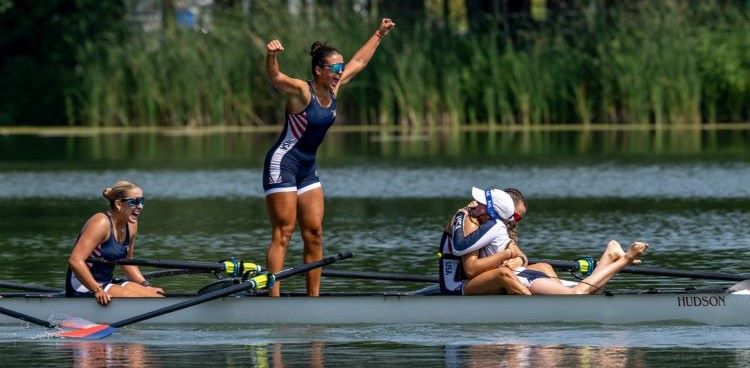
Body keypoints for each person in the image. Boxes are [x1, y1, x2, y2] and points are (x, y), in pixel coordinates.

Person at [262, 18, 395, 296]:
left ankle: (314, 300)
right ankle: (271, 300)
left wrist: (379, 34)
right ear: (318, 70)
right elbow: (275, 78)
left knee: (315, 234)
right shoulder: (301, 91)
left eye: (340, 68)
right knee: (284, 233)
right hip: (283, 163)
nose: (339, 72)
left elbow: (359, 62)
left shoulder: (335, 87)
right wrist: (271, 56)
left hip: (307, 167)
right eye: (334, 68)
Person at [440, 187, 649, 295]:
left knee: (548, 269)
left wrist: (515, 260)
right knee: (578, 293)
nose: (515, 221)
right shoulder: (471, 220)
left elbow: (520, 256)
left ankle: (562, 297)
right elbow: (471, 269)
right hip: (460, 282)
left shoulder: (495, 226)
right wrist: (506, 257)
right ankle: (619, 259)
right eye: (515, 216)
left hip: (502, 276)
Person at [66, 180, 164, 305]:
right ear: (118, 204)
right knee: (138, 299)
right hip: (83, 285)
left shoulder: (131, 224)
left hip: (106, 281)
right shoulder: (101, 223)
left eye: (142, 201)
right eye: (134, 202)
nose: (140, 206)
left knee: (156, 296)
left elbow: (127, 263)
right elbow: (75, 261)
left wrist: (146, 286)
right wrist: (97, 290)